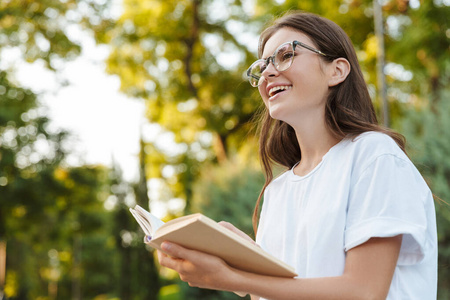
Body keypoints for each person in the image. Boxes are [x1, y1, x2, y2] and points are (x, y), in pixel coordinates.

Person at [157, 11, 437, 300]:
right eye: (262, 65)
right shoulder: (277, 191)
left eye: (285, 54)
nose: (267, 72)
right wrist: (249, 265)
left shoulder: (374, 156)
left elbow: (364, 292)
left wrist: (237, 278)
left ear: (336, 70)